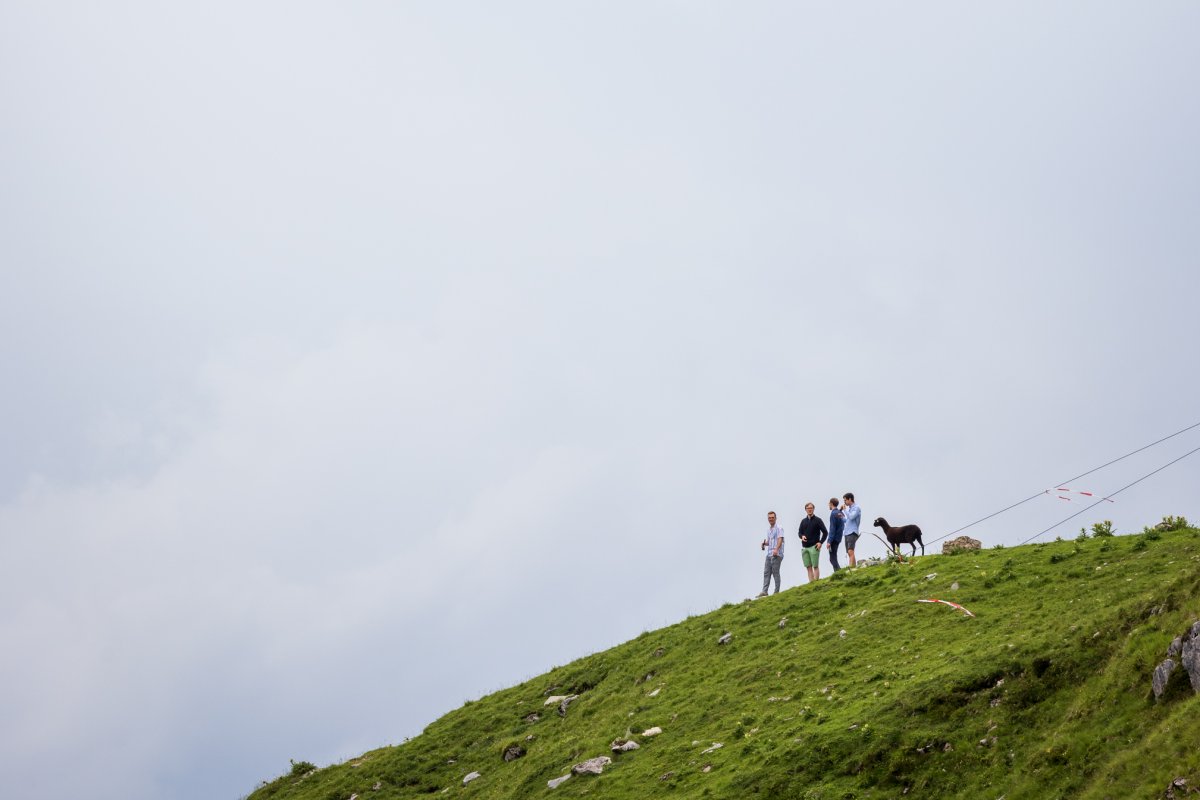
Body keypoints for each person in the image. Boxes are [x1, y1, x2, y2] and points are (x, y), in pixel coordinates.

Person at [797, 502, 828, 583]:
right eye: (808, 508)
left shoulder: (818, 520)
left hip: (814, 546)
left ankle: (816, 582)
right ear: (805, 510)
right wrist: (802, 536)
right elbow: (799, 532)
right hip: (805, 547)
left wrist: (820, 542)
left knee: (815, 566)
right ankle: (811, 583)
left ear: (813, 509)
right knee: (808, 566)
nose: (809, 510)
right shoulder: (803, 521)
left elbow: (825, 532)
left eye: (811, 508)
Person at [757, 510, 785, 597]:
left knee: (775, 572)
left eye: (772, 517)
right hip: (769, 554)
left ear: (775, 518)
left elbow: (780, 539)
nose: (771, 519)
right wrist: (764, 544)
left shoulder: (779, 528)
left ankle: (776, 591)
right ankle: (764, 591)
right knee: (766, 572)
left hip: (777, 554)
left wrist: (776, 549)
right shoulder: (769, 530)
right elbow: (769, 542)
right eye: (769, 518)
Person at [843, 492, 862, 567]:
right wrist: (841, 518)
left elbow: (851, 517)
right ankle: (854, 568)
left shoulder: (856, 508)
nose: (844, 502)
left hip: (852, 532)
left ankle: (851, 568)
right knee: (849, 552)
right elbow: (848, 520)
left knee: (850, 551)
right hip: (847, 532)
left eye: (845, 500)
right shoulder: (850, 509)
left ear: (850, 499)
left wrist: (845, 510)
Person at [827, 497, 845, 572]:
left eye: (829, 504)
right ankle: (838, 572)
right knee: (834, 556)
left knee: (832, 558)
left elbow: (832, 528)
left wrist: (829, 541)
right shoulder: (840, 513)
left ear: (831, 504)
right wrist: (840, 510)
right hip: (839, 537)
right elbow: (842, 521)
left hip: (833, 538)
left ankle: (838, 572)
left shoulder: (833, 514)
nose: (828, 505)